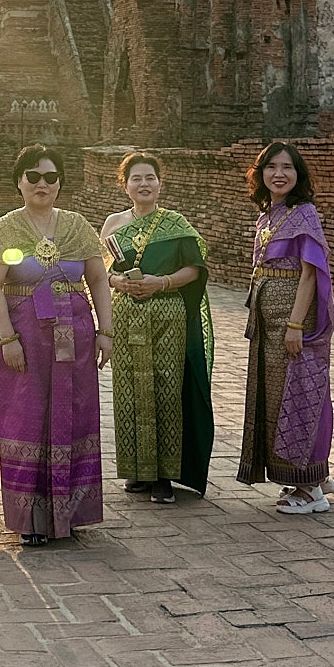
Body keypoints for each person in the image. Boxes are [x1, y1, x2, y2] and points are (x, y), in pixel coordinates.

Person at [0, 145, 111, 546]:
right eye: (33, 177)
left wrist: (107, 330)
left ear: (60, 183)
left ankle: (73, 511)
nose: (42, 184)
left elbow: (99, 280)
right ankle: (31, 518)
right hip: (27, 336)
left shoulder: (76, 226)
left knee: (76, 410)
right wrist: (8, 338)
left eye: (50, 177)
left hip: (78, 336)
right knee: (27, 415)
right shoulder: (6, 228)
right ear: (19, 181)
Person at [100, 152, 214, 505]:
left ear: (160, 183)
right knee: (131, 392)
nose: (144, 184)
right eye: (136, 178)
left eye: (150, 177)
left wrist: (160, 283)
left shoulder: (176, 224)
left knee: (166, 389)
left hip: (168, 317)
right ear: (125, 185)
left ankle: (165, 475)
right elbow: (100, 273)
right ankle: (138, 471)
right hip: (126, 315)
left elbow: (194, 270)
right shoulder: (113, 225)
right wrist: (120, 282)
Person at [237, 141, 334, 513]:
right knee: (274, 394)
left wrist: (296, 324)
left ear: (299, 175)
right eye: (271, 167)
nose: (279, 174)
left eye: (287, 167)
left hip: (292, 314)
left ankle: (309, 487)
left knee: (298, 392)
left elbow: (311, 274)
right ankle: (307, 475)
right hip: (267, 315)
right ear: (260, 173)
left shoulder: (304, 213)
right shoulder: (268, 214)